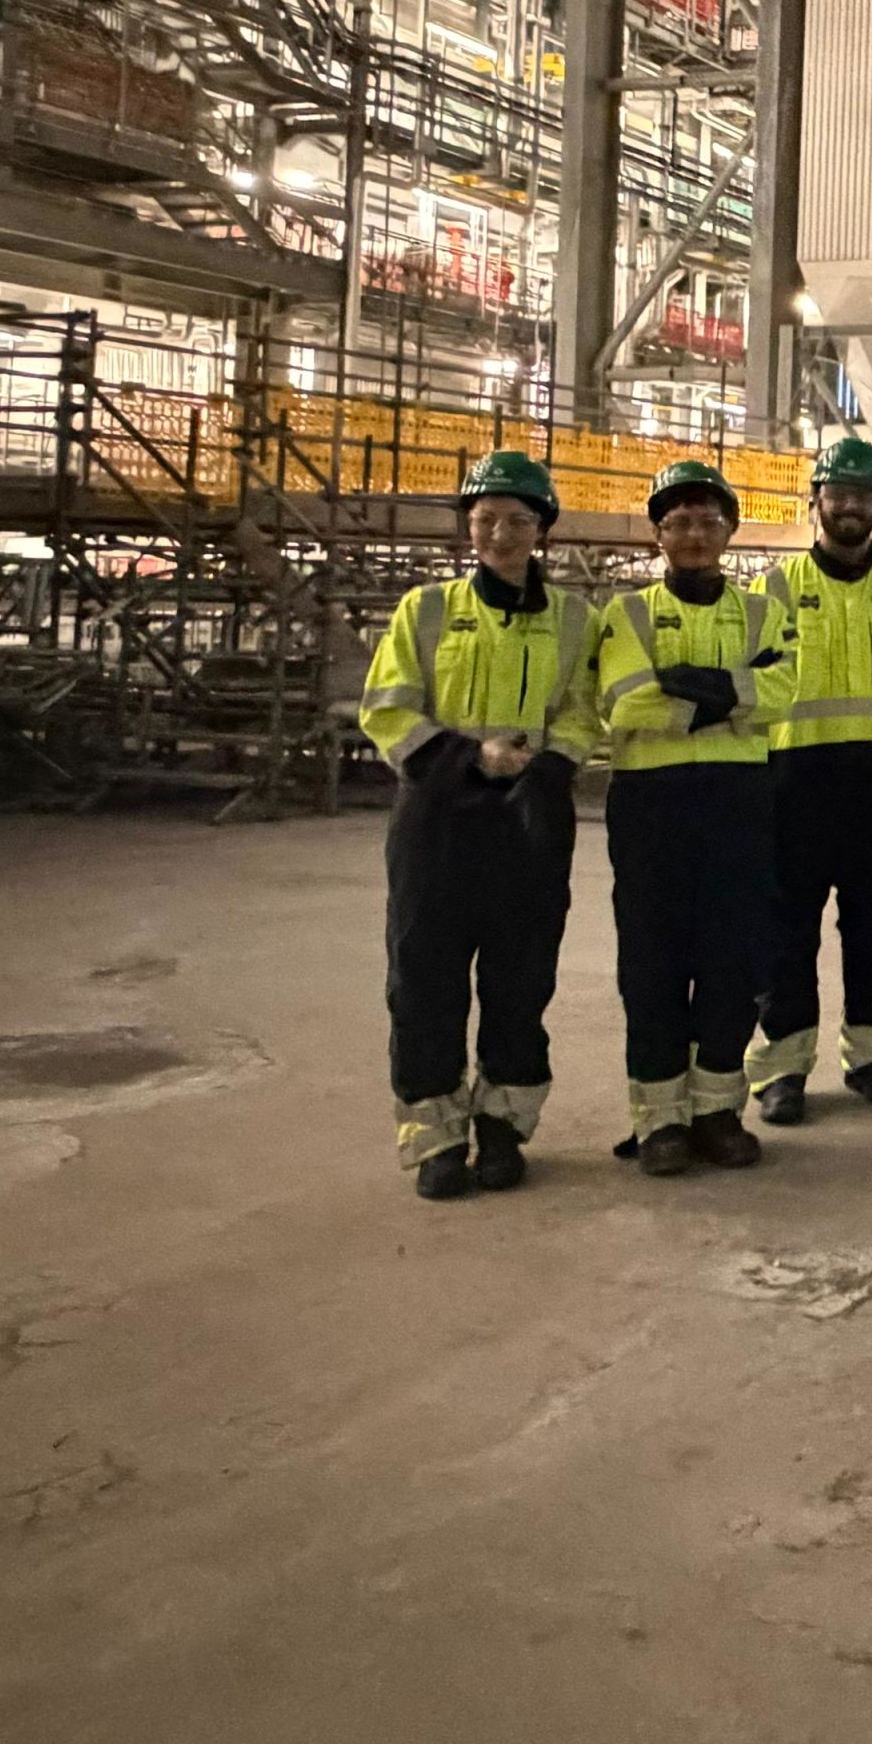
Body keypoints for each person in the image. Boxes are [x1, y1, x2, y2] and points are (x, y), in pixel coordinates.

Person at [358, 451, 597, 1200]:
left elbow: (586, 709)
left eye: (518, 521)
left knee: (521, 981)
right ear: (468, 526)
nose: (500, 534)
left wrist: (550, 764)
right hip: (438, 818)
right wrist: (471, 757)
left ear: (542, 530)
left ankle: (503, 1127)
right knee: (424, 982)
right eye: (486, 519)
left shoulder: (575, 620)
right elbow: (387, 708)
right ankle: (435, 1138)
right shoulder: (425, 610)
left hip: (530, 820)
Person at [587, 458, 781, 1177]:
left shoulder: (763, 612)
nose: (694, 534)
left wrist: (687, 691)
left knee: (734, 958)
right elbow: (624, 703)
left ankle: (717, 1112)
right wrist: (732, 697)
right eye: (678, 523)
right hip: (652, 806)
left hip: (740, 801)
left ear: (729, 532)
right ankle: (660, 1121)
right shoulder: (626, 614)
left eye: (707, 522)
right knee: (653, 962)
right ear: (658, 536)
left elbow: (786, 690)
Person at [750, 435, 872, 1123]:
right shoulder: (773, 590)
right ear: (816, 500)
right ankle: (782, 1068)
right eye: (838, 493)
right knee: (784, 935)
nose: (850, 505)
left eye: (863, 495)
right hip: (792, 786)